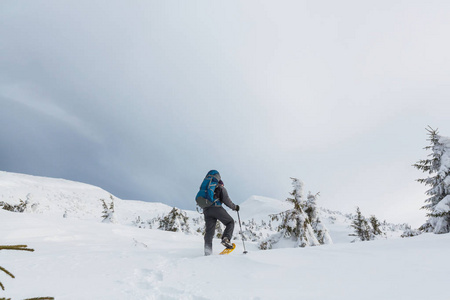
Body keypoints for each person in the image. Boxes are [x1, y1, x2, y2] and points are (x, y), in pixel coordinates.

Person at [203, 179, 239, 256]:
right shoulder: (221, 188)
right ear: (221, 184)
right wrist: (235, 207)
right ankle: (226, 239)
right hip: (216, 208)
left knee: (209, 233)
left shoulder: (206, 189)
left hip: (206, 211)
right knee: (230, 222)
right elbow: (226, 200)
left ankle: (207, 252)